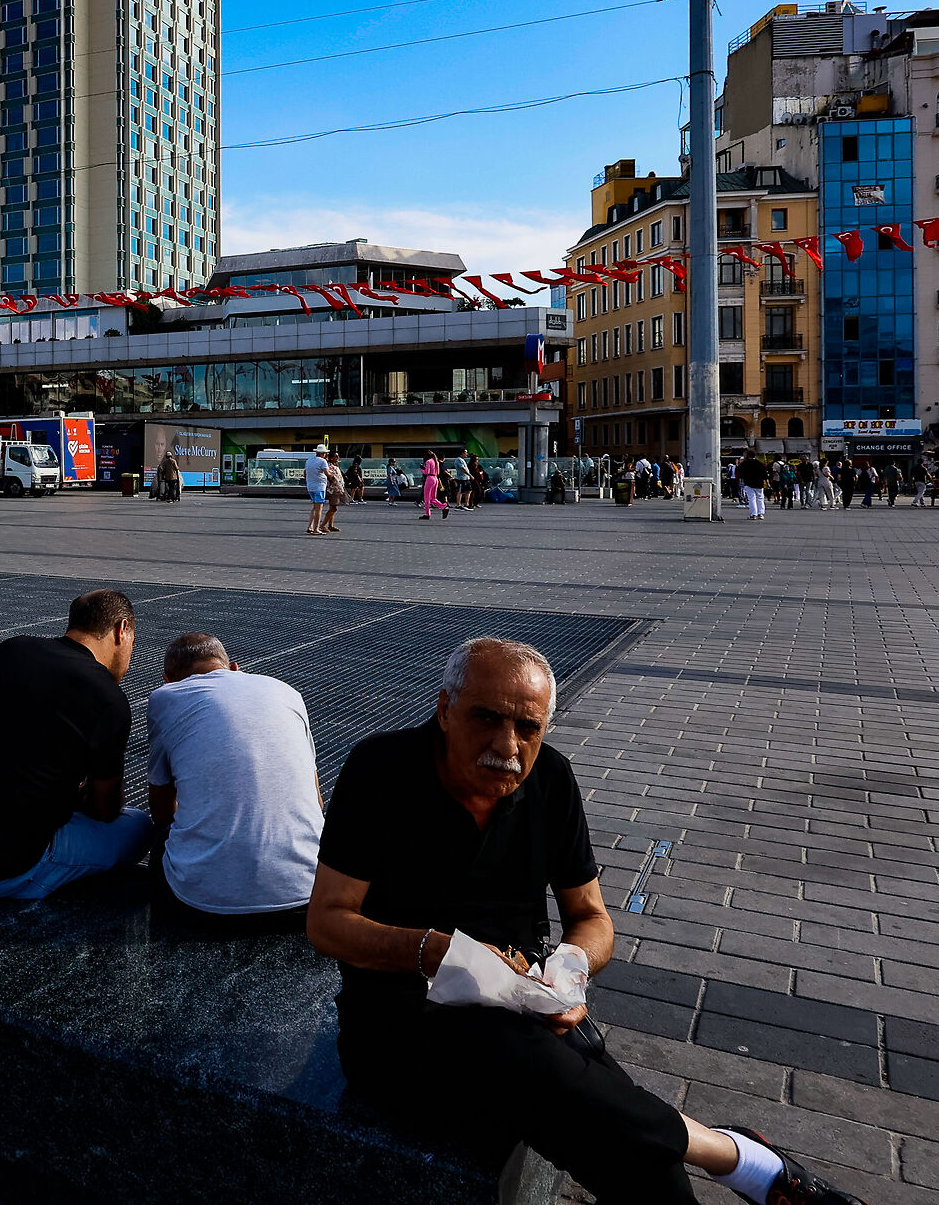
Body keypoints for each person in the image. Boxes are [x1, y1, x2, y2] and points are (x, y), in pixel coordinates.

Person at [308, 637, 866, 1205]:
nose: (507, 745)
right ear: (445, 710)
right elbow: (326, 922)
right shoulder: (381, 769)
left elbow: (590, 917)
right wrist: (432, 950)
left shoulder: (550, 778)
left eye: (528, 728)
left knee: (646, 1171)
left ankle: (742, 1158)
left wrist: (570, 969)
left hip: (526, 1012)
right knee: (529, 1063)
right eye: (486, 718)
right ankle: (737, 1157)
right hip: (401, 1021)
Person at [0, 589, 150, 898]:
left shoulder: (12, 649)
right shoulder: (108, 698)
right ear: (122, 630)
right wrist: (86, 795)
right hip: (0, 869)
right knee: (139, 827)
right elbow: (104, 810)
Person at [146, 633, 321, 929]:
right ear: (235, 668)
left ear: (167, 679)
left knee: (158, 837)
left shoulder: (165, 697)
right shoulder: (287, 692)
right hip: (309, 894)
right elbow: (317, 802)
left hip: (201, 906)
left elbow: (161, 811)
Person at [303, 446, 332, 537]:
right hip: (319, 487)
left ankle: (310, 526)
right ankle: (316, 529)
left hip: (310, 486)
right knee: (319, 508)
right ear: (322, 453)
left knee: (314, 507)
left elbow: (305, 473)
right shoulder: (322, 461)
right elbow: (327, 473)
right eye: (325, 453)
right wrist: (333, 476)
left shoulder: (309, 460)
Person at [735, 451, 768, 520]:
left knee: (751, 498)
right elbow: (764, 474)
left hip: (748, 483)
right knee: (760, 498)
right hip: (759, 483)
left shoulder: (744, 464)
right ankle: (761, 513)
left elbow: (739, 472)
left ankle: (753, 514)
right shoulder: (759, 464)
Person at [420, 451, 448, 521]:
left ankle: (427, 514)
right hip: (435, 478)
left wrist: (422, 469)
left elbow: (427, 472)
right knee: (433, 497)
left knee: (427, 497)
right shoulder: (436, 461)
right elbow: (438, 472)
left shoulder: (428, 461)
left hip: (429, 478)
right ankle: (443, 506)